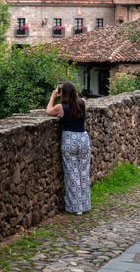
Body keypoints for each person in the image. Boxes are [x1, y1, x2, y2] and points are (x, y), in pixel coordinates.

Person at [46, 81, 91, 215]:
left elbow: (48, 111)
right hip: (83, 138)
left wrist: (53, 97)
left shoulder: (61, 107)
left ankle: (76, 208)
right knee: (83, 172)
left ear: (63, 92)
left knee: (72, 173)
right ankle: (85, 204)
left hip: (69, 139)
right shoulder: (83, 102)